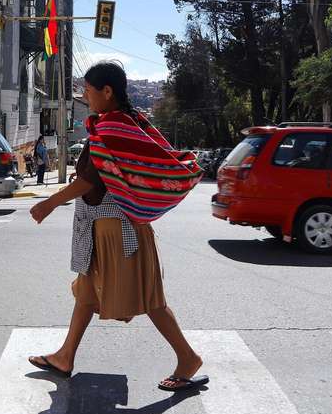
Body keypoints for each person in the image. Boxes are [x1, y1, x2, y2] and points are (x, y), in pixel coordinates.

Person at [28, 61, 207, 392]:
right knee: (85, 293)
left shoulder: (113, 128)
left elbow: (89, 179)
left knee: (150, 298)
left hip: (117, 228)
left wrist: (49, 203)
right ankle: (65, 356)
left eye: (88, 90)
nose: (85, 95)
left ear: (107, 92)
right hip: (102, 228)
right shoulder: (128, 123)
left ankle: (188, 357)